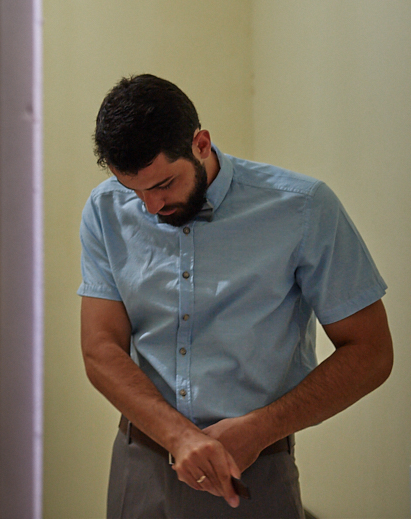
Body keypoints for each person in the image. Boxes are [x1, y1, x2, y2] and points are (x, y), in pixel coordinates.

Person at [79, 74, 392, 519]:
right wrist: (179, 437)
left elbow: (372, 351)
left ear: (201, 144)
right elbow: (99, 348)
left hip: (255, 471)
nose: (150, 206)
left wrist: (262, 428)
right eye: (135, 190)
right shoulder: (104, 210)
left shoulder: (303, 208)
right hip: (141, 465)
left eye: (164, 184)